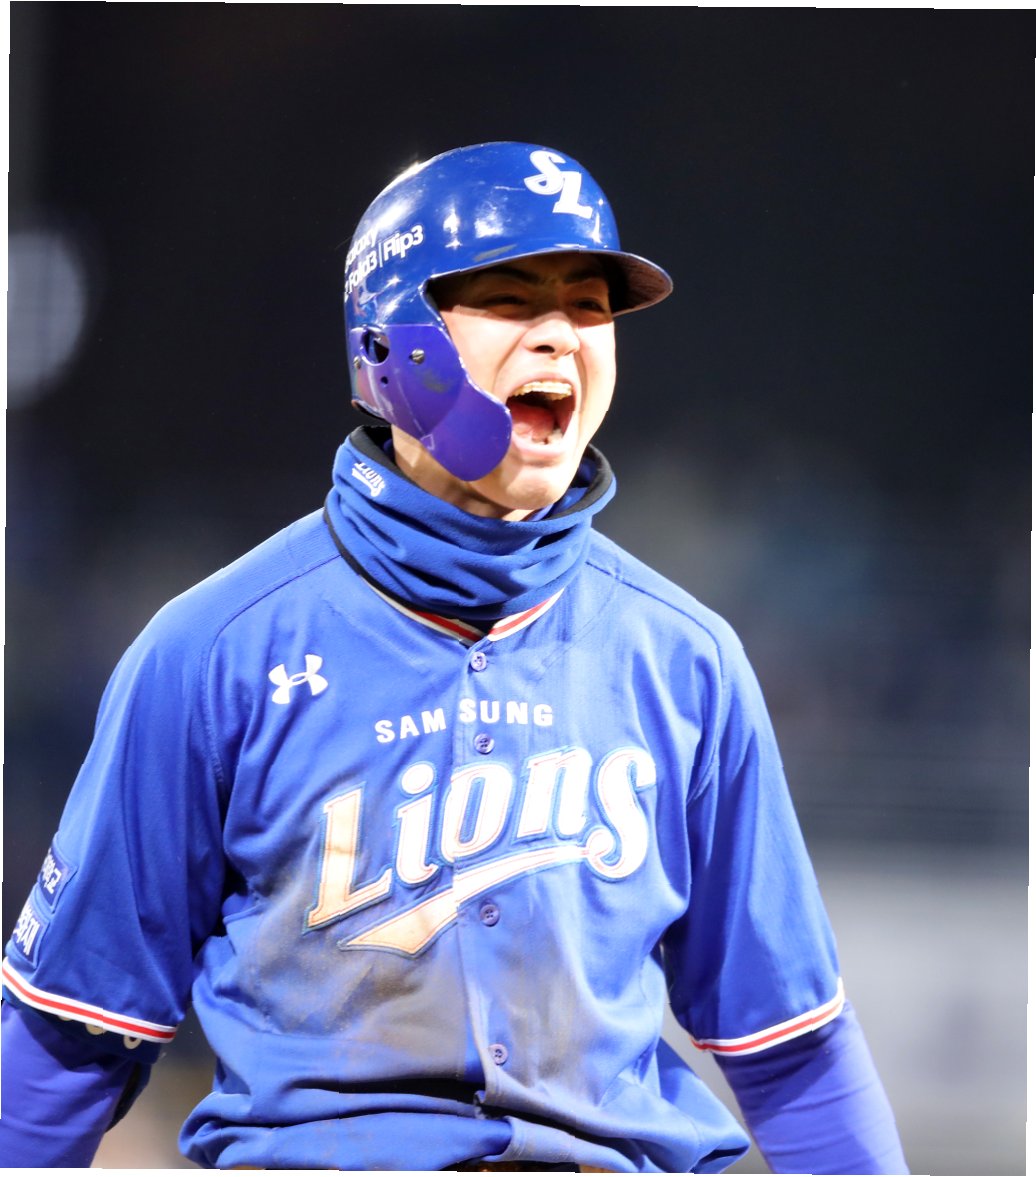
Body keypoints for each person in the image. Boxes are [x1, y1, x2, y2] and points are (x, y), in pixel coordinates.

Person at [0, 141, 908, 1173]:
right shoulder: (215, 652)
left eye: (589, 307)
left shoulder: (685, 661)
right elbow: (68, 1034)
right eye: (512, 300)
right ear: (393, 342)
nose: (560, 335)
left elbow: (793, 1046)